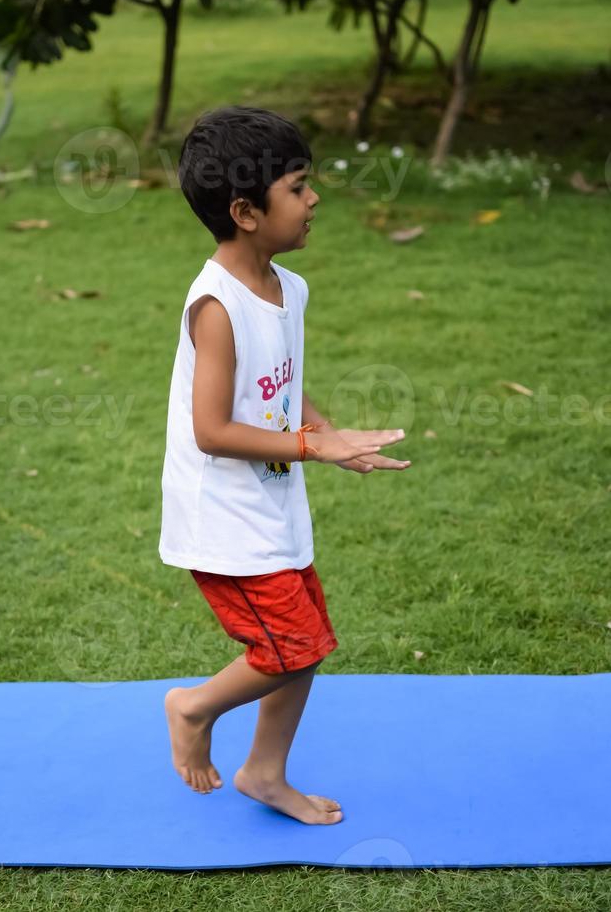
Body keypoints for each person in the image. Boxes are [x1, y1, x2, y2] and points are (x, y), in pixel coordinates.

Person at [159, 105, 411, 825]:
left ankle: (264, 772)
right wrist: (312, 447)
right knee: (293, 645)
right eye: (298, 187)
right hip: (223, 515)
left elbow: (281, 386)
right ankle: (193, 706)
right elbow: (210, 429)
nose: (313, 200)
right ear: (245, 211)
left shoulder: (285, 287)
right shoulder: (216, 305)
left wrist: (333, 436)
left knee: (306, 641)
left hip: (270, 500)